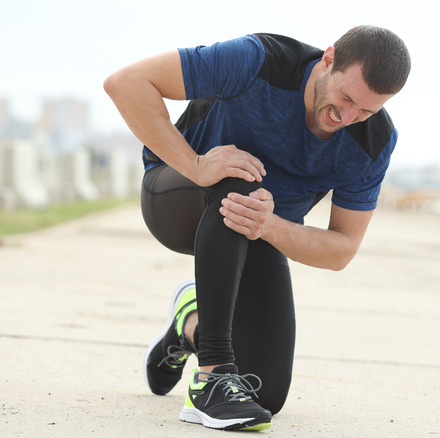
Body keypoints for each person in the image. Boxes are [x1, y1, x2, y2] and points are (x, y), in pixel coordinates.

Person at [103, 26, 411, 431]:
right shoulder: (258, 60)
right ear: (329, 58)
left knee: (263, 393)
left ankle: (189, 326)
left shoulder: (374, 142)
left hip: (255, 231)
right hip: (178, 200)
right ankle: (212, 377)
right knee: (243, 179)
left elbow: (342, 248)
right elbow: (125, 83)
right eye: (346, 98)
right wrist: (196, 165)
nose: (347, 117)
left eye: (366, 111)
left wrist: (270, 226)